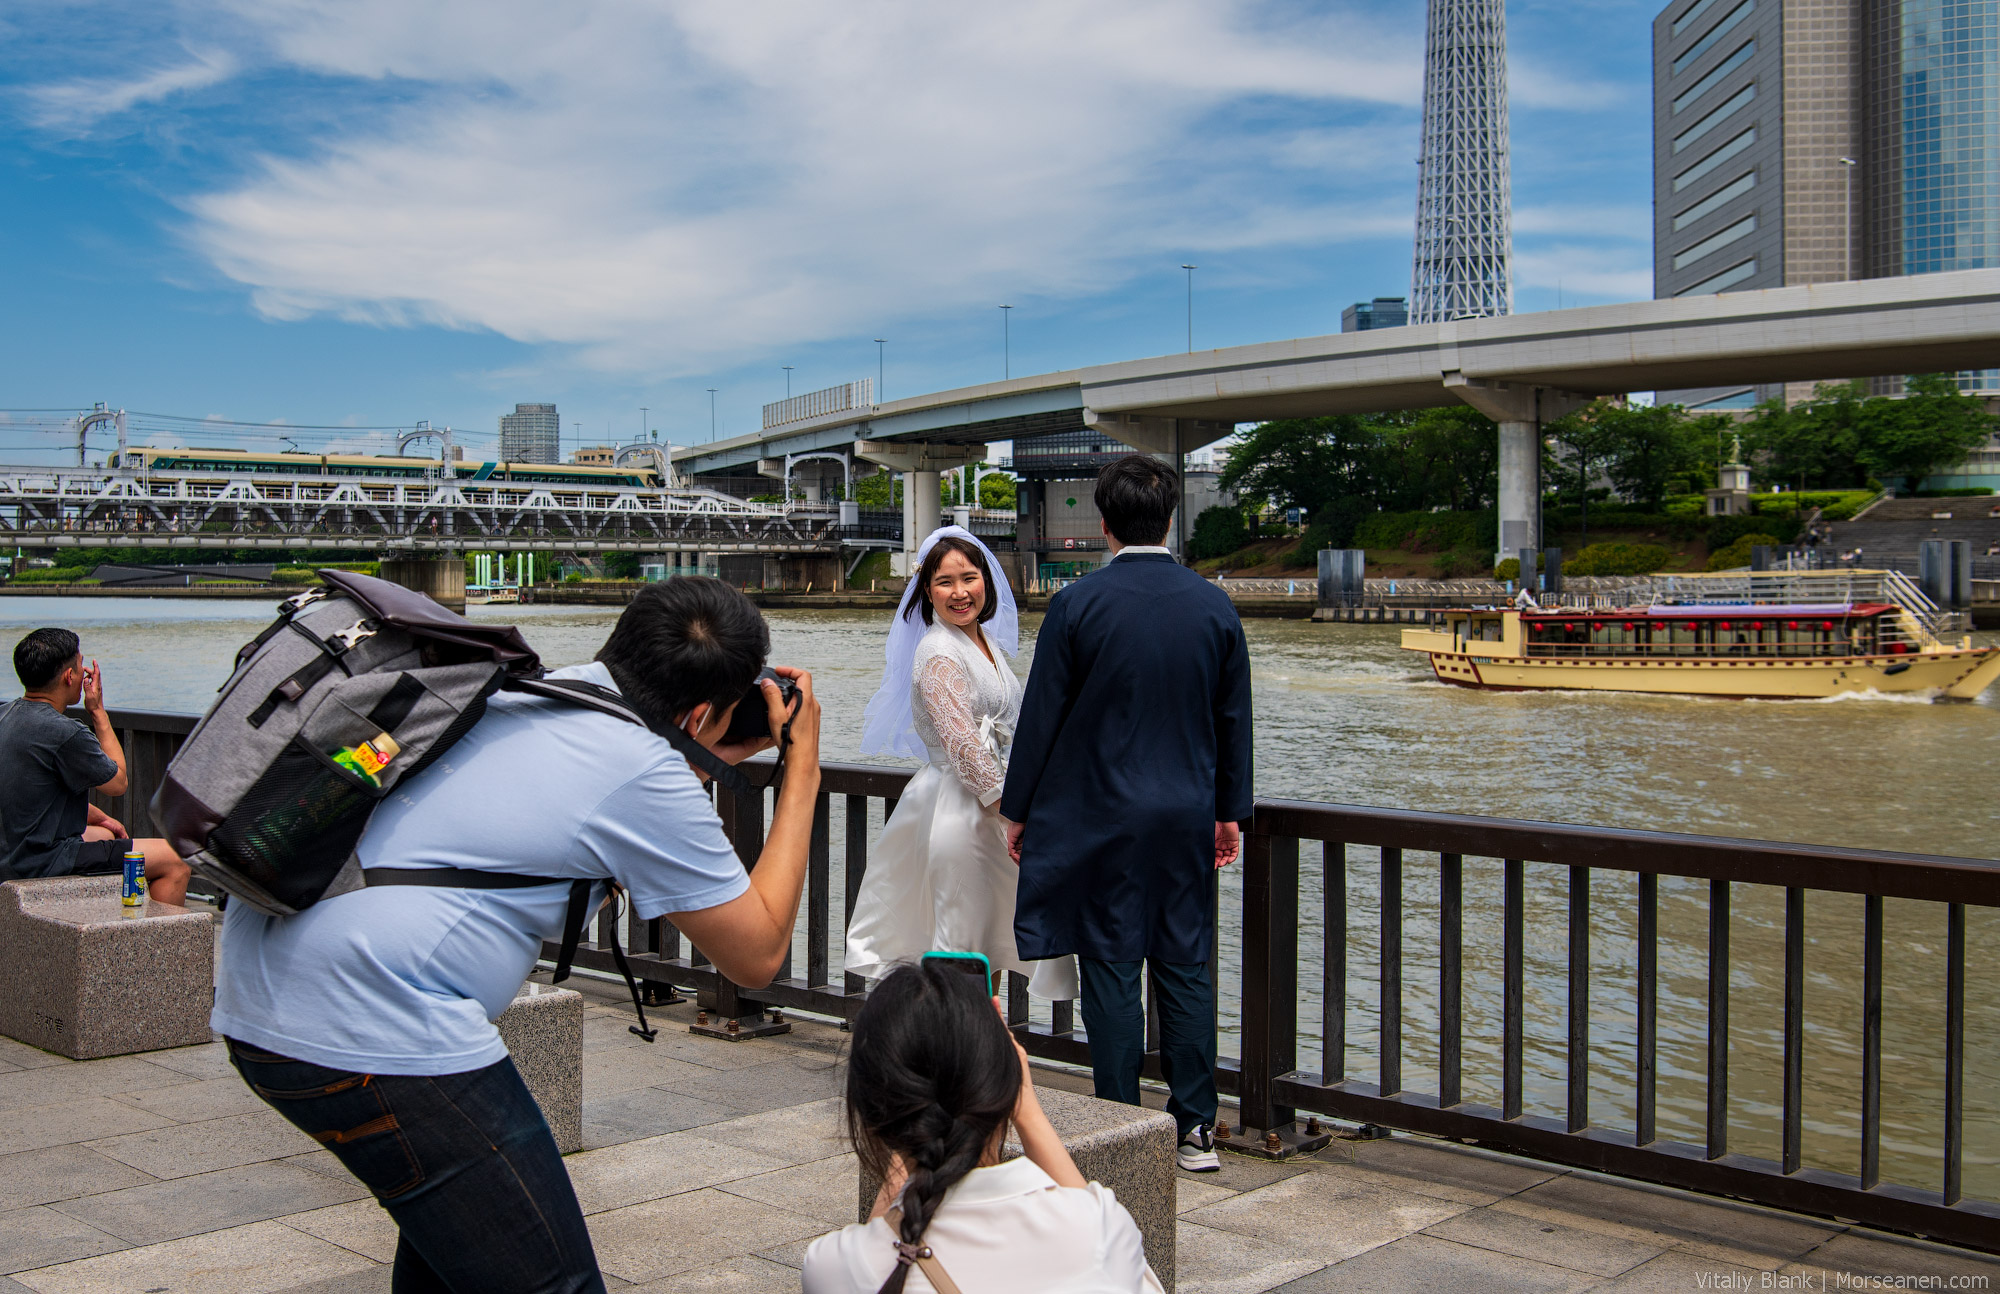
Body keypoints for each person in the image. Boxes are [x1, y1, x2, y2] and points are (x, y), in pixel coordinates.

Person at [212, 577, 822, 1294]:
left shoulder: (521, 689)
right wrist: (802, 763)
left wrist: (696, 745)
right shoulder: (641, 769)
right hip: (374, 1027)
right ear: (700, 712)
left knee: (458, 1252)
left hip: (265, 987)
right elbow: (755, 954)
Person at [1001, 455, 1253, 1174]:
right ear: (1172, 519)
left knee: (1110, 963)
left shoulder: (1079, 604)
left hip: (1099, 812)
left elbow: (1041, 718)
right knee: (1183, 958)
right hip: (1185, 813)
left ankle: (1116, 1126)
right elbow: (1233, 718)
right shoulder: (1213, 605)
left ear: (1103, 524)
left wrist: (1019, 810)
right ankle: (1196, 1128)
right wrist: (1229, 810)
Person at [802, 961, 1163, 1293]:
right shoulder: (1097, 1234)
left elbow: (872, 1250)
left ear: (870, 1109)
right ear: (1001, 1086)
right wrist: (1024, 1103)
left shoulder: (833, 1265)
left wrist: (905, 1118)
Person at [847, 526, 1076, 1000]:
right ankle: (959, 1058)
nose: (959, 592)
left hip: (994, 805)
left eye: (969, 578)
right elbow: (963, 746)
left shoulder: (982, 641)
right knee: (963, 945)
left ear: (986, 582)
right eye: (944, 582)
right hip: (962, 807)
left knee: (988, 942)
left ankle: (978, 1055)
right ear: (926, 590)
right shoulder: (937, 651)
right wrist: (1010, 810)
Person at [0, 628, 189, 902]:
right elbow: (118, 782)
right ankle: (154, 941)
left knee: (103, 833)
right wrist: (98, 711)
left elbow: (27, 792)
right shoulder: (64, 732)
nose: (83, 672)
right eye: (80, 665)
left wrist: (101, 818)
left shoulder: (4, 716)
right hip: (40, 862)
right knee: (174, 860)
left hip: (10, 854)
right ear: (69, 677)